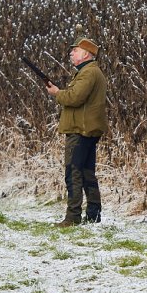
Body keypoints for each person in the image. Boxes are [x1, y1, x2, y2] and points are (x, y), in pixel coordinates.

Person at [46, 37, 108, 225]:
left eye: (75, 50)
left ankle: (73, 217)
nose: (71, 53)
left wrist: (57, 93)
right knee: (87, 173)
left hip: (80, 130)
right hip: (87, 130)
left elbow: (74, 97)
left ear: (86, 54)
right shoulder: (90, 72)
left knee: (73, 173)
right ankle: (93, 216)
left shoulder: (88, 73)